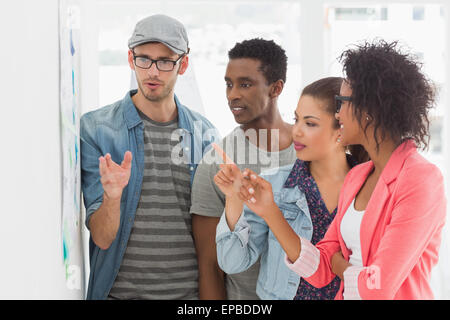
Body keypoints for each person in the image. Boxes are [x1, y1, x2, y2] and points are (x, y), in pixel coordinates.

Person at [237, 40, 447, 299]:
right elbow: (321, 266)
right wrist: (269, 211)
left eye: (342, 103)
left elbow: (378, 288)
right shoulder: (358, 177)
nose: (337, 115)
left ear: (369, 109)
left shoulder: (420, 179)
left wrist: (340, 265)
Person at [80, 14, 219, 300]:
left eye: (165, 61)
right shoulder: (96, 130)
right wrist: (113, 196)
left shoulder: (205, 135)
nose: (153, 72)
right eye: (144, 59)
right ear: (131, 59)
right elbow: (102, 238)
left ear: (183, 64)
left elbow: (211, 239)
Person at [214, 77, 367, 299]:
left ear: (341, 130)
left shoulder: (370, 188)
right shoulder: (274, 186)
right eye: (296, 120)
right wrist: (234, 199)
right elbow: (232, 262)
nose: (296, 131)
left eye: (310, 123)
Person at [190, 38, 297, 299]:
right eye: (229, 84)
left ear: (276, 88)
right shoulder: (216, 164)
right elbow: (210, 265)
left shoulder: (313, 150)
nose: (232, 94)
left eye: (245, 84)